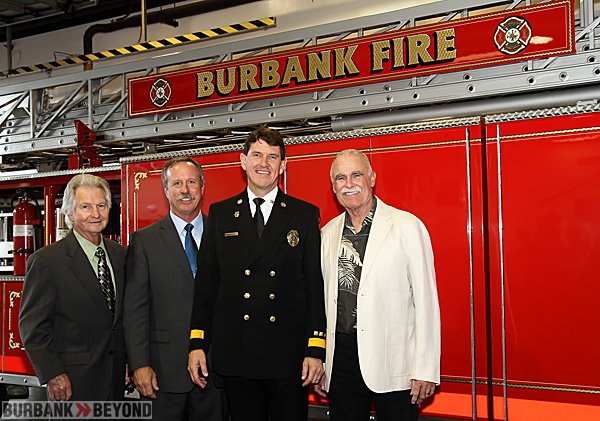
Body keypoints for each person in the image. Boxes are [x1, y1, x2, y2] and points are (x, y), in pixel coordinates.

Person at [188, 127, 326, 421]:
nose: (264, 163)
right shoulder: (221, 214)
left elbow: (315, 287)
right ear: (243, 161)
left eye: (273, 157)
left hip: (288, 358)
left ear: (283, 165)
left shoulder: (303, 214)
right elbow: (206, 287)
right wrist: (197, 344)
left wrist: (316, 348)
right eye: (257, 155)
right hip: (238, 356)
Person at [315, 149, 441, 421]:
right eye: (340, 178)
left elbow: (426, 302)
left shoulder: (407, 227)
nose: (349, 184)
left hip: (395, 360)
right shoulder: (326, 234)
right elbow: (321, 305)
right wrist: (323, 362)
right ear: (333, 187)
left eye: (356, 175)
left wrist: (425, 368)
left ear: (372, 178)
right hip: (342, 360)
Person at [123, 157, 227, 420]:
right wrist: (139, 365)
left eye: (191, 182)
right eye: (177, 184)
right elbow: (135, 311)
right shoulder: (143, 242)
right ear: (166, 190)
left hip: (216, 373)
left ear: (202, 187)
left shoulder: (225, 235)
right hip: (162, 375)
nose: (185, 190)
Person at [19, 174, 126, 402]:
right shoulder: (47, 261)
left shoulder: (121, 255)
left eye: (101, 206)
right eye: (86, 207)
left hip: (116, 380)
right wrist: (53, 373)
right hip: (73, 382)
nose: (96, 214)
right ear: (69, 214)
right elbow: (33, 328)